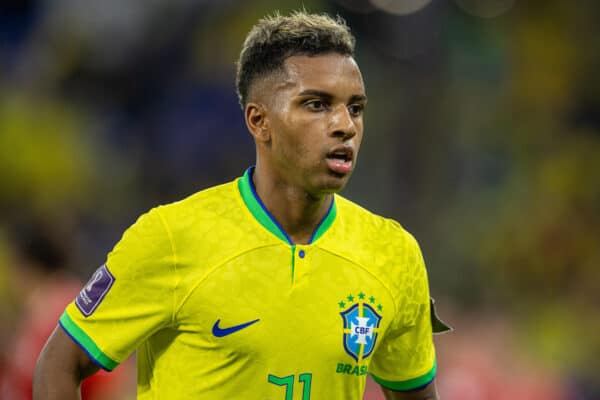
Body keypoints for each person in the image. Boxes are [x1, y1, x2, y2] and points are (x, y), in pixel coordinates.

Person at [33, 11, 449, 400]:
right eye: (317, 105)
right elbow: (59, 363)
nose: (344, 125)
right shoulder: (173, 238)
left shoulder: (393, 254)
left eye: (355, 108)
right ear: (258, 120)